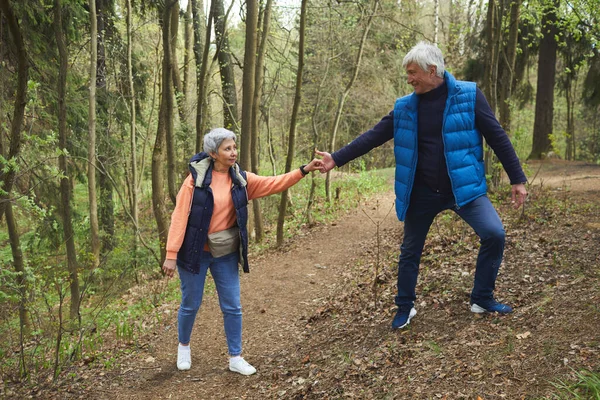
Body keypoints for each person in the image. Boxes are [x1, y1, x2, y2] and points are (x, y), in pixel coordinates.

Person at [316, 41, 528, 330]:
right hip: (422, 192)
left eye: (413, 72)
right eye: (408, 73)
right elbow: (374, 135)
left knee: (494, 234)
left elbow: (497, 136)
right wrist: (336, 159)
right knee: (410, 251)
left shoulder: (469, 95)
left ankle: (482, 298)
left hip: (463, 189)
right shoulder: (405, 107)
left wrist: (517, 178)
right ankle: (405, 306)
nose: (409, 78)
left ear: (432, 70)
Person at [162, 127, 322, 375]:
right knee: (191, 303)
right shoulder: (194, 181)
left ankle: (235, 357)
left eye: (234, 147)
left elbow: (274, 183)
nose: (233, 152)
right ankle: (184, 346)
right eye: (228, 148)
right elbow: (179, 217)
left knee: (232, 305)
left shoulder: (241, 180)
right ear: (214, 153)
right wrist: (171, 255)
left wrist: (303, 170)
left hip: (225, 251)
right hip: (194, 252)